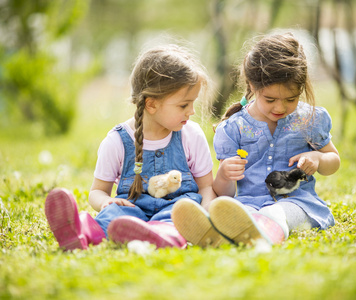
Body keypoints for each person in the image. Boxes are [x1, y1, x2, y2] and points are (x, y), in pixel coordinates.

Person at [45, 43, 219, 251]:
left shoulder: (191, 135)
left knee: (179, 218)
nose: (191, 111)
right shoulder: (117, 141)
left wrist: (206, 210)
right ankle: (79, 231)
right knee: (111, 216)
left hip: (176, 210)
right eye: (183, 105)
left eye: (192, 103)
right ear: (151, 104)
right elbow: (97, 192)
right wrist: (105, 203)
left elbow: (206, 187)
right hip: (130, 210)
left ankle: (159, 234)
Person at [173, 32, 340, 247]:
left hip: (298, 205)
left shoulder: (309, 120)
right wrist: (224, 175)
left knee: (277, 213)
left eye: (291, 99)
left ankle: (261, 236)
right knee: (228, 209)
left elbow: (333, 161)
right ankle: (218, 234)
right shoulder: (235, 128)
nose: (280, 107)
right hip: (248, 205)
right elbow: (226, 191)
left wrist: (317, 157)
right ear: (252, 86)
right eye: (270, 99)